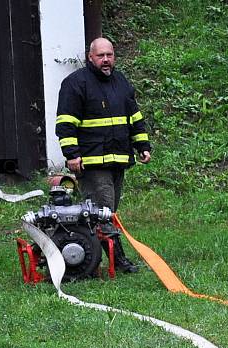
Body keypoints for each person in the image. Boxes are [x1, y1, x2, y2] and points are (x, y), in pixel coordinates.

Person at [55, 37, 152, 273]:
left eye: (110, 55)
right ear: (90, 57)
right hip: (92, 162)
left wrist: (143, 145)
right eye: (101, 56)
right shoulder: (75, 83)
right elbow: (66, 123)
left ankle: (91, 255)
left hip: (118, 160)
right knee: (104, 212)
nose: (106, 60)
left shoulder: (121, 82)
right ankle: (117, 260)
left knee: (109, 212)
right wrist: (71, 154)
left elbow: (134, 117)